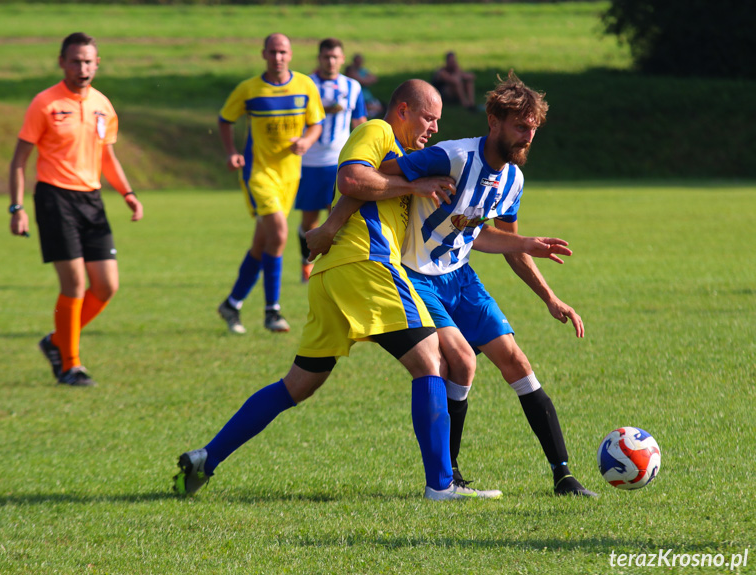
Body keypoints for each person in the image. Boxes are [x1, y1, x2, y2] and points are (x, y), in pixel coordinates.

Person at [178, 80, 498, 502]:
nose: (434, 128)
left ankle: (206, 457)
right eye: (428, 117)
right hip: (366, 264)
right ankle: (441, 485)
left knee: (298, 385)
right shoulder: (377, 132)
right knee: (429, 362)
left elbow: (360, 188)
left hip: (333, 275)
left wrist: (332, 224)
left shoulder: (402, 158)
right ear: (402, 109)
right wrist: (412, 187)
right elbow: (350, 178)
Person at [309, 71, 595, 496]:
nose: (528, 137)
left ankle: (564, 476)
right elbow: (374, 175)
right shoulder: (450, 157)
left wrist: (549, 297)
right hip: (417, 277)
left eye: (533, 129)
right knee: (462, 360)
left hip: (461, 277)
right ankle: (448, 477)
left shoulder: (512, 180)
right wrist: (339, 220)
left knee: (515, 360)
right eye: (520, 126)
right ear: (494, 121)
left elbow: (499, 240)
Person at [8, 32, 143, 387]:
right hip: (54, 198)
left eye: (88, 61)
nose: (82, 67)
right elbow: (19, 161)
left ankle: (55, 341)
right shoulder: (45, 103)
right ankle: (71, 365)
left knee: (106, 286)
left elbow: (106, 156)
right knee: (75, 284)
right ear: (61, 62)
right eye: (75, 61)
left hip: (92, 201)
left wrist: (127, 192)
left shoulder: (103, 104)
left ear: (97, 63)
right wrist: (17, 207)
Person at [216, 33, 325, 335]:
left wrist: (306, 141)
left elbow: (316, 123)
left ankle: (232, 304)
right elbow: (225, 119)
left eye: (283, 52)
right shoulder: (249, 89)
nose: (278, 57)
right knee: (279, 233)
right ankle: (272, 311)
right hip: (258, 174)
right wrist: (232, 153)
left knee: (262, 243)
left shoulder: (305, 85)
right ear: (263, 54)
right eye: (273, 52)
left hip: (291, 176)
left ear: (290, 54)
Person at [295, 38, 368, 283]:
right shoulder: (306, 84)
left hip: (339, 163)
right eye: (326, 57)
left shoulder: (353, 87)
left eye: (335, 57)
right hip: (309, 162)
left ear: (342, 59)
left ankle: (332, 265)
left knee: (336, 217)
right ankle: (306, 262)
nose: (330, 61)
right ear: (319, 58)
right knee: (309, 220)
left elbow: (360, 122)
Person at [344, 53, 384, 119]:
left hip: (368, 98)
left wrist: (364, 81)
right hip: (362, 98)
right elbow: (360, 81)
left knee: (382, 107)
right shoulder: (351, 70)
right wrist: (365, 80)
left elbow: (374, 79)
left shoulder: (363, 70)